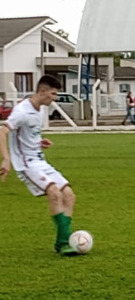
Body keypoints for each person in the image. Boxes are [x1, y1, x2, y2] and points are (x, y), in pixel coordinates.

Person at [0, 75, 80, 256]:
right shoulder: (22, 111)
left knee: (69, 195)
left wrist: (39, 142)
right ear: (42, 91)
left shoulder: (40, 110)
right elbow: (2, 131)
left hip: (40, 160)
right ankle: (64, 242)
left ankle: (62, 242)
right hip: (26, 164)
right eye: (53, 93)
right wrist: (6, 159)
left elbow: (28, 135)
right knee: (54, 193)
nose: (55, 98)